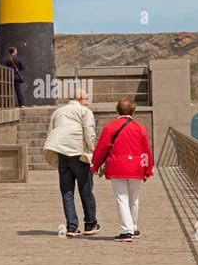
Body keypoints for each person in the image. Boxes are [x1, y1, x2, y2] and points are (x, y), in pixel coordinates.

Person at [90, 97, 153, 242]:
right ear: (133, 110)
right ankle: (133, 227)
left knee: (122, 198)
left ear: (117, 110)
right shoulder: (140, 128)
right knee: (134, 199)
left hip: (117, 166)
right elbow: (146, 151)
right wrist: (147, 169)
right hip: (137, 167)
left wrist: (95, 165)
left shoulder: (111, 127)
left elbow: (101, 148)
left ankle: (126, 231)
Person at [43, 88, 100, 238]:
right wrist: (93, 151)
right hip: (79, 153)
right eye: (86, 98)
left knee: (67, 192)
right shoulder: (85, 112)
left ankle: (72, 227)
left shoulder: (58, 112)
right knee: (86, 190)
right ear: (80, 98)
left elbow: (51, 132)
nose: (88, 101)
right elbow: (89, 132)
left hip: (62, 154)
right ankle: (90, 223)